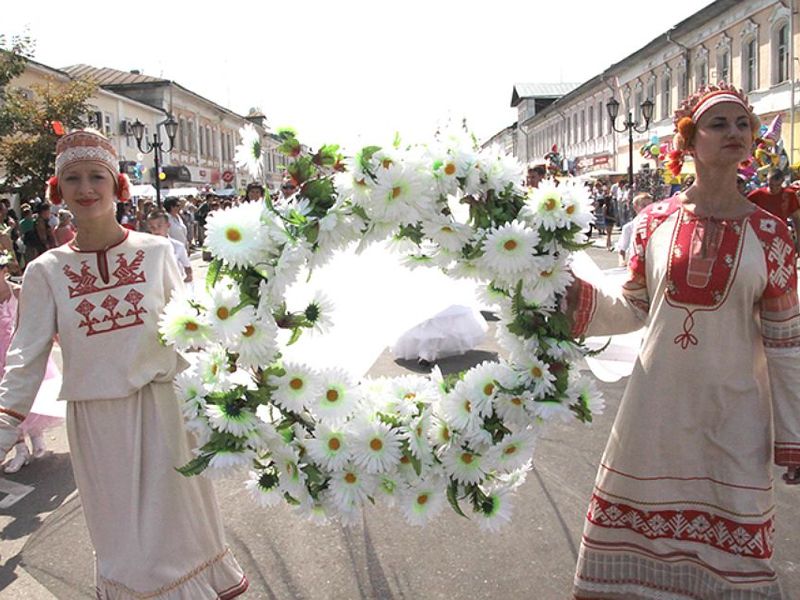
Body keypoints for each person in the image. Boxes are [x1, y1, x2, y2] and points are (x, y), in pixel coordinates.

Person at [569, 84, 800, 598]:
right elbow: (632, 307)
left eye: (743, 124)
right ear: (689, 141)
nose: (735, 133)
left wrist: (794, 436)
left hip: (735, 419)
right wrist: (568, 297)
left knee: (735, 555)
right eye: (719, 125)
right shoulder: (653, 222)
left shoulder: (771, 232)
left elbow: (786, 344)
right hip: (654, 414)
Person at [0, 130, 247, 597]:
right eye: (73, 178)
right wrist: (4, 426)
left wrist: (227, 384)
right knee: (124, 544)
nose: (86, 188)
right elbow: (25, 355)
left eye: (98, 176)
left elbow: (188, 330)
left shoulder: (155, 254)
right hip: (98, 424)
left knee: (180, 533)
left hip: (164, 413)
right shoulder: (45, 271)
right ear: (58, 189)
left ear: (118, 187)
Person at [0, 251, 63, 473]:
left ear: (5, 272)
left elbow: (39, 321)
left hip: (22, 352)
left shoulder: (19, 293)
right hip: (1, 357)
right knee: (8, 403)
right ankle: (20, 450)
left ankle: (37, 439)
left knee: (34, 397)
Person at [747, 168, 800, 249]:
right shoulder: (757, 195)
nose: (774, 188)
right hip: (761, 235)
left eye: (777, 185)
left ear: (782, 182)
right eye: (771, 185)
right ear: (767, 181)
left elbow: (797, 219)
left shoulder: (789, 195)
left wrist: (798, 241)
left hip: (781, 234)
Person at [147, 209, 193, 283]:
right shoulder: (147, 247)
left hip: (174, 284)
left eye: (159, 226)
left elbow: (186, 265)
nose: (156, 230)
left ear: (168, 225)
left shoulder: (178, 246)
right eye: (152, 227)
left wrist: (189, 275)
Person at [615, 192, 652, 265]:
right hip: (635, 264)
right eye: (644, 206)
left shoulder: (655, 225)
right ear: (635, 207)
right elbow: (622, 249)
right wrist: (622, 261)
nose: (647, 209)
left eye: (650, 205)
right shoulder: (629, 227)